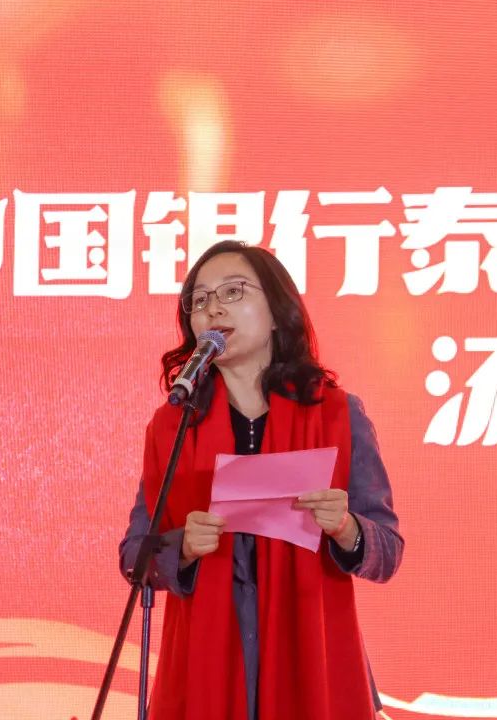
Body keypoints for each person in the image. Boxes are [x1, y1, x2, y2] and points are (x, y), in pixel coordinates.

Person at [118, 240, 404, 720]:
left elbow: (387, 553)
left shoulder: (336, 414)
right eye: (199, 299)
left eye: (233, 291)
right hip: (203, 672)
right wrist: (180, 547)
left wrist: (346, 528)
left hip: (313, 668)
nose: (213, 308)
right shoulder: (173, 425)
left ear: (275, 311)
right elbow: (134, 557)